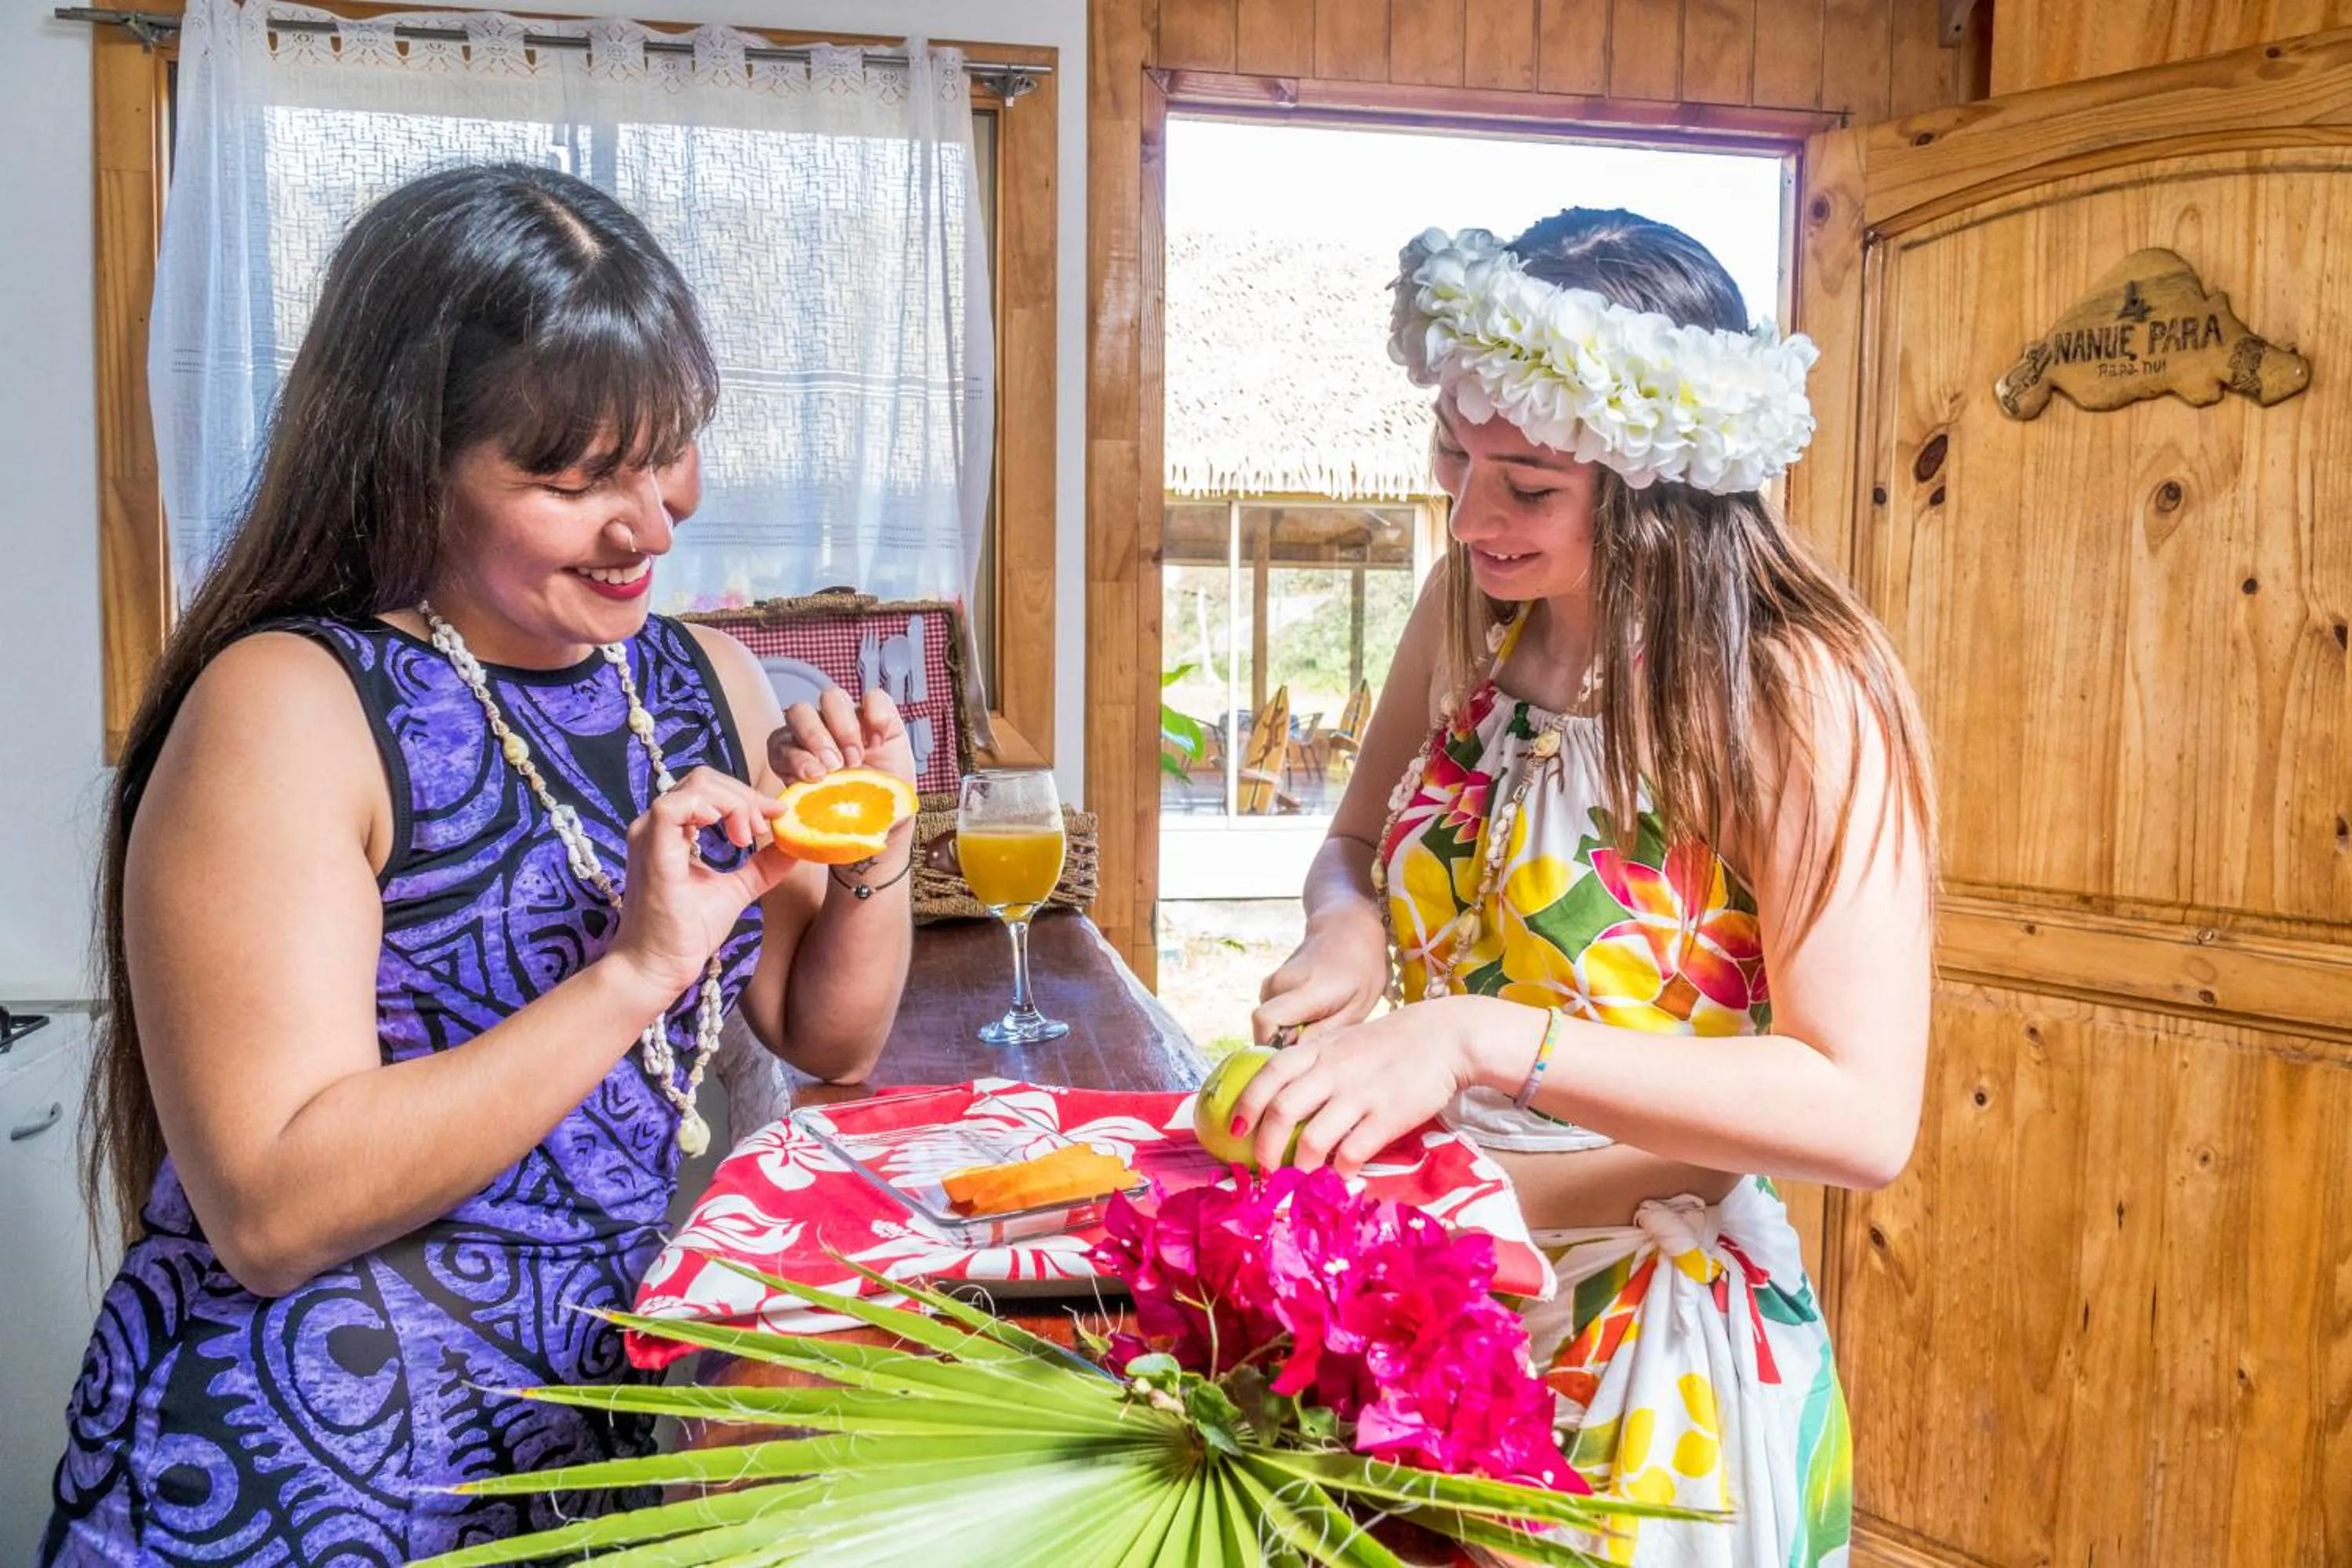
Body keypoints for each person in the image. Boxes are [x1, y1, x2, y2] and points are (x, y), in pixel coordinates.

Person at [41, 163, 917, 1566]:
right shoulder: (289, 705)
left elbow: (820, 1026)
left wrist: (875, 842)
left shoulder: (706, 678)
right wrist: (637, 969)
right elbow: (269, 1213)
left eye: (670, 446)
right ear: (414, 460)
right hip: (313, 1464)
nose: (654, 521)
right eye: (580, 480)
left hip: (596, 1434)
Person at [1236, 210, 1935, 1566]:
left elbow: (1862, 1113)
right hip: (1428, 1292)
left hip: (1648, 1339)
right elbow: (1349, 843)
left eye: (1531, 484)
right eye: (1456, 455)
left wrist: (1478, 1036)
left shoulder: (1794, 690)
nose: (1470, 514)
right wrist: (1348, 926)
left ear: (1659, 477)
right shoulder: (1466, 611)